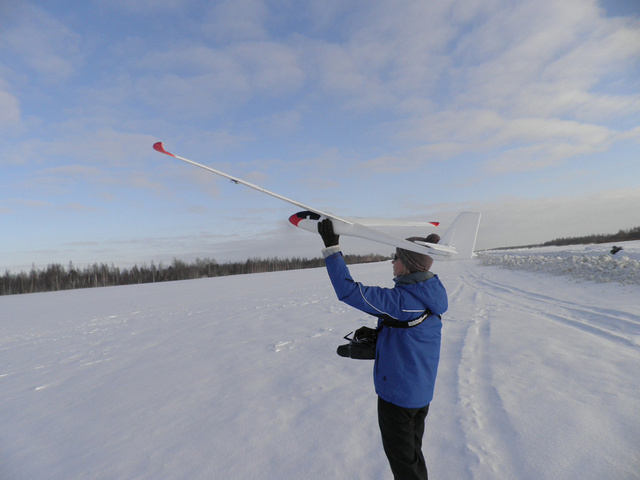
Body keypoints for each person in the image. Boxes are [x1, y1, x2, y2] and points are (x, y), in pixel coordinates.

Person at [318, 219, 448, 480]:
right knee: (411, 457)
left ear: (408, 265)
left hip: (398, 399)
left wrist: (332, 247)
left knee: (404, 467)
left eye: (395, 256)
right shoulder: (431, 294)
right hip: (419, 394)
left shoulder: (402, 302)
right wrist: (383, 337)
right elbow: (411, 334)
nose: (392, 262)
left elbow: (348, 291)